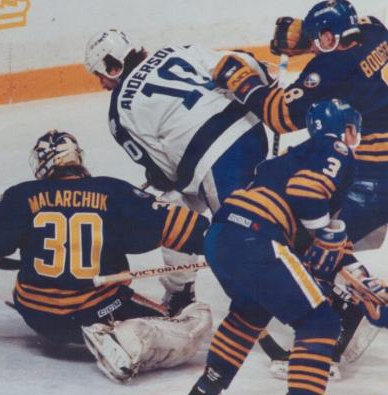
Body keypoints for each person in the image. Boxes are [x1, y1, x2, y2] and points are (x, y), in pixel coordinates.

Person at [0, 130, 212, 382]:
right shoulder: (114, 193)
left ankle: (102, 331)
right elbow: (177, 226)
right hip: (99, 307)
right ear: (77, 158)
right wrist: (225, 240)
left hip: (38, 315)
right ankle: (129, 339)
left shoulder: (21, 197)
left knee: (38, 292)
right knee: (192, 321)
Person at [218, 0, 388, 370]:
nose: (311, 46)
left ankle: (342, 328)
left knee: (312, 241)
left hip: (373, 176)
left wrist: (243, 84)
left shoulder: (329, 68)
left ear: (329, 38)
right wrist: (304, 37)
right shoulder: (375, 34)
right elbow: (369, 21)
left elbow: (280, 116)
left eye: (316, 39)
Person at [183, 99, 361, 395]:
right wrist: (325, 237)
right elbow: (307, 193)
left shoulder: (287, 158)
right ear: (349, 129)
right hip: (257, 238)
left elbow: (297, 207)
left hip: (222, 236)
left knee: (251, 310)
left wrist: (326, 246)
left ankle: (210, 384)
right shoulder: (335, 147)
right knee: (319, 322)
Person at [83, 28, 270, 315]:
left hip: (218, 164)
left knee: (235, 238)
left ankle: (297, 310)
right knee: (259, 213)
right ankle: (181, 290)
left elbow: (164, 171)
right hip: (253, 132)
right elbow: (239, 62)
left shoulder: (119, 111)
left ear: (113, 65)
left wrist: (161, 181)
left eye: (101, 75)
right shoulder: (177, 49)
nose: (102, 84)